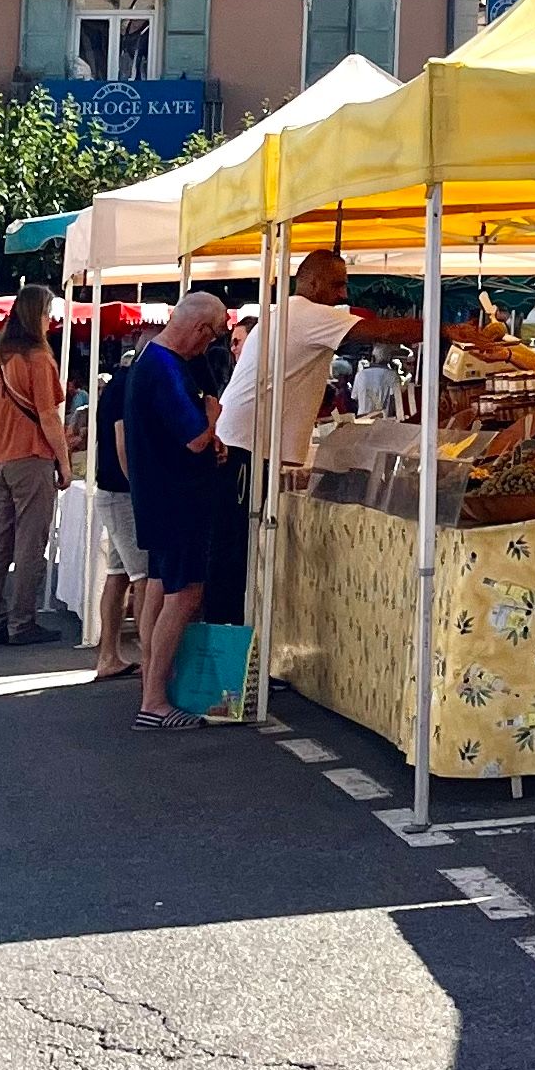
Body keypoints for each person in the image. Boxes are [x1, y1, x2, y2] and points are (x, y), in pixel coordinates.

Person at [211, 254, 355, 620]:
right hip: (243, 447)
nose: (343, 294)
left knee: (236, 550)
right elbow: (383, 332)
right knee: (235, 553)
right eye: (337, 284)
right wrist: (449, 330)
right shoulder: (305, 313)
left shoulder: (282, 314)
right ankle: (230, 650)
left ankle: (238, 646)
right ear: (313, 284)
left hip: (243, 443)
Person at [124, 288, 231, 732]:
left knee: (161, 588)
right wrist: (213, 414)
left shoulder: (151, 362)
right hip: (178, 501)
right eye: (210, 337)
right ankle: (154, 699)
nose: (208, 347)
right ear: (199, 328)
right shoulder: (166, 368)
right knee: (183, 593)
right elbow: (193, 437)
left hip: (161, 498)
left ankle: (154, 685)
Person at [0, 287, 73, 645]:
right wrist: (63, 462)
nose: (51, 320)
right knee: (31, 544)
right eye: (48, 313)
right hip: (30, 458)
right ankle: (22, 623)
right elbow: (48, 415)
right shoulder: (37, 357)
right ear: (37, 315)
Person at [90, 338, 149, 682]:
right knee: (142, 577)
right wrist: (140, 490)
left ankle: (109, 655)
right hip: (123, 493)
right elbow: (122, 439)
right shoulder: (129, 386)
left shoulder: (115, 385)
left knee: (120, 574)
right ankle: (150, 659)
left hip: (112, 490)